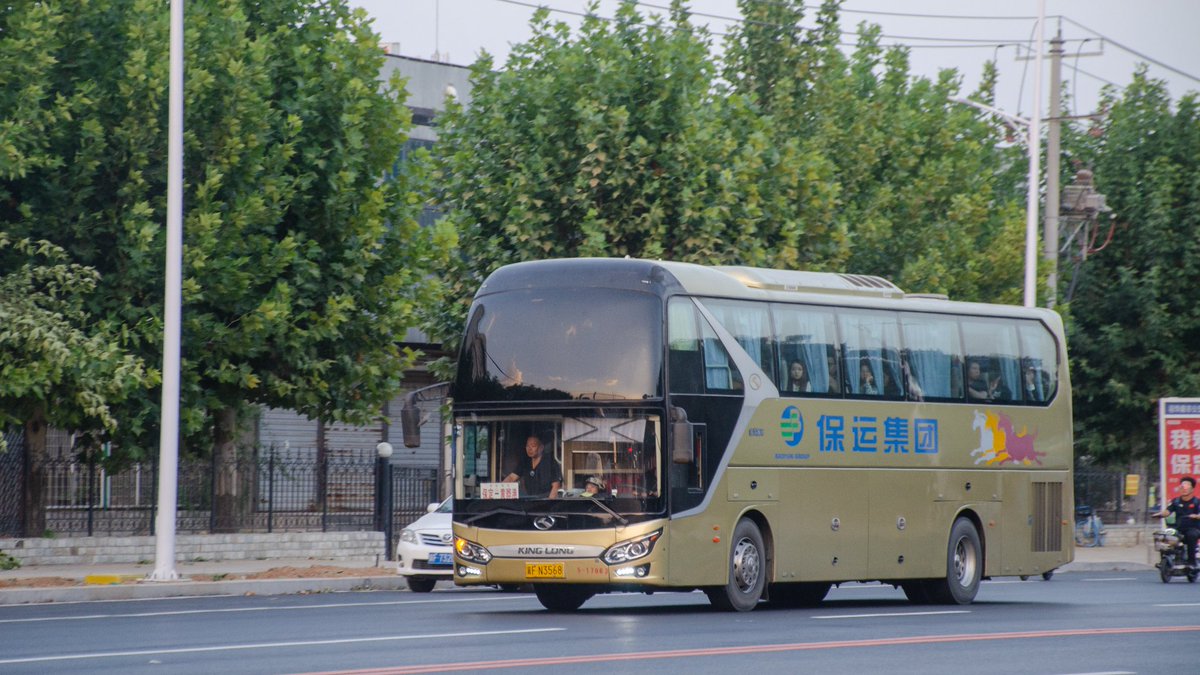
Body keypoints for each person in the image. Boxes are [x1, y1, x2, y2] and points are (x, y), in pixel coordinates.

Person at [1154, 476, 1200, 569]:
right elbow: (1168, 511)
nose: (1184, 489)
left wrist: (1196, 516)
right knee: (1165, 535)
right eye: (1182, 487)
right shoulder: (1176, 501)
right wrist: (1160, 514)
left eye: (1186, 487)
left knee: (1191, 535)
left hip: (1193, 529)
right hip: (1178, 528)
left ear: (1192, 489)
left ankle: (1192, 563)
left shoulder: (1197, 502)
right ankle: (1165, 560)